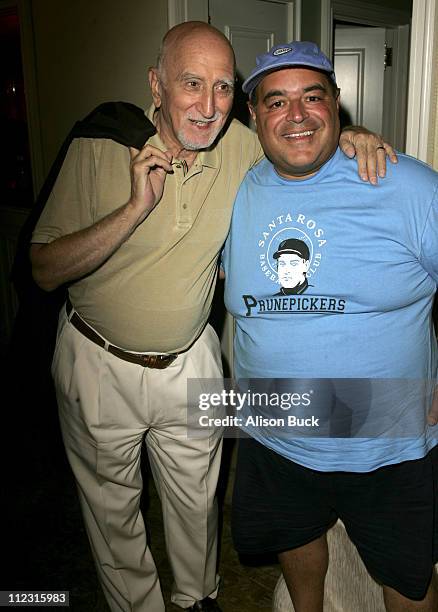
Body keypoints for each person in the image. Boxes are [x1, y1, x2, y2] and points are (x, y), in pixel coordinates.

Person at [29, 21, 395, 612]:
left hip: (194, 356)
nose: (208, 106)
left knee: (198, 502)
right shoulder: (98, 146)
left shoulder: (240, 147)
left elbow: (299, 134)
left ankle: (198, 598)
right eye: (191, 84)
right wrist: (134, 208)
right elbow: (44, 269)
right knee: (112, 510)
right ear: (157, 84)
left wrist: (354, 134)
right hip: (97, 360)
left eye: (223, 88)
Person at [221, 41, 438, 611]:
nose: (296, 115)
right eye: (276, 101)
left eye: (312, 97)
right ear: (253, 116)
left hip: (391, 440)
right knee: (296, 540)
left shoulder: (406, 186)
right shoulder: (232, 192)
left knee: (408, 576)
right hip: (274, 428)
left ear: (337, 106)